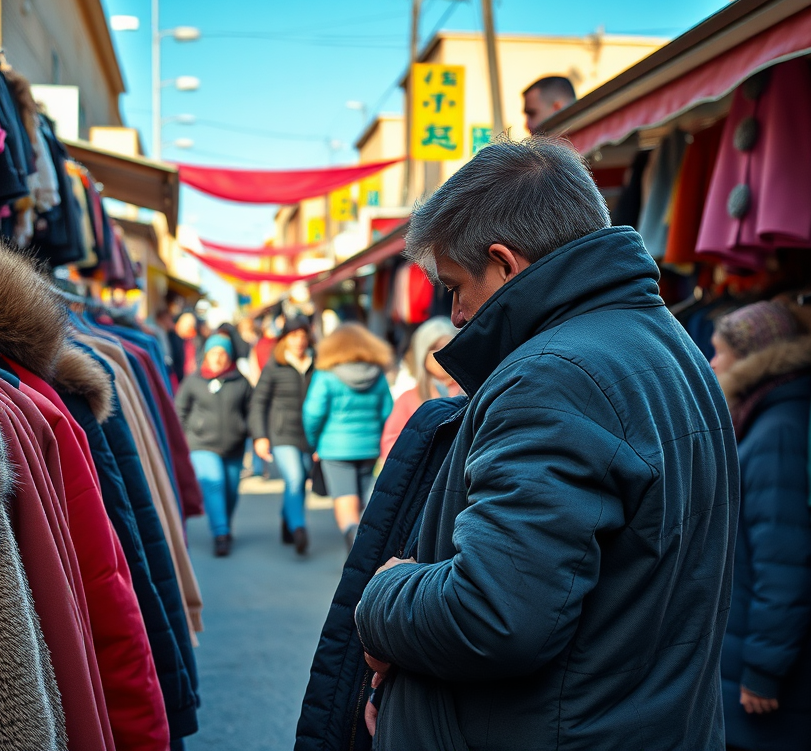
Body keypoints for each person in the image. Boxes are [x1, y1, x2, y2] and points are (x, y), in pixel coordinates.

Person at [351, 138, 738, 749]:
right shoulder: (667, 345)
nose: (454, 314)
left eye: (455, 285)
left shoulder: (554, 376)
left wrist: (386, 590)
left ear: (505, 264)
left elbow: (494, 615)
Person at [710, 301, 811, 751]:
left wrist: (763, 670)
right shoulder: (770, 419)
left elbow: (786, 566)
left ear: (753, 361)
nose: (712, 364)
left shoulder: (777, 433)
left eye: (720, 352)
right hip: (755, 661)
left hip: (765, 682)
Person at [302, 323, 394, 551]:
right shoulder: (377, 375)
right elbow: (387, 412)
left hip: (335, 449)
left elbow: (313, 413)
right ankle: (364, 542)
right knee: (363, 499)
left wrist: (313, 442)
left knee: (345, 498)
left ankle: (353, 541)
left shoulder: (326, 375)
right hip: (369, 447)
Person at [175, 334, 252, 557]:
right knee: (213, 483)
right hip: (201, 444)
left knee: (230, 491)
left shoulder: (241, 381)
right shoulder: (193, 380)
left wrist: (248, 430)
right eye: (214, 353)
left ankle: (224, 524)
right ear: (206, 355)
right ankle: (221, 534)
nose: (218, 358)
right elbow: (179, 410)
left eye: (222, 353)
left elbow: (252, 410)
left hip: (234, 446)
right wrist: (182, 438)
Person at [249, 315, 314, 555]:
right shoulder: (275, 365)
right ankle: (299, 529)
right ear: (284, 339)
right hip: (282, 433)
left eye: (302, 336)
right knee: (295, 478)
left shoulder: (316, 363)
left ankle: (288, 520)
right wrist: (260, 436)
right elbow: (259, 402)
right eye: (293, 336)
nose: (298, 341)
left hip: (309, 435)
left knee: (302, 477)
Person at [380, 316, 460, 460]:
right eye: (435, 347)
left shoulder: (471, 391)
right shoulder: (408, 399)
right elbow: (391, 445)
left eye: (448, 345)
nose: (442, 353)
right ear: (423, 354)